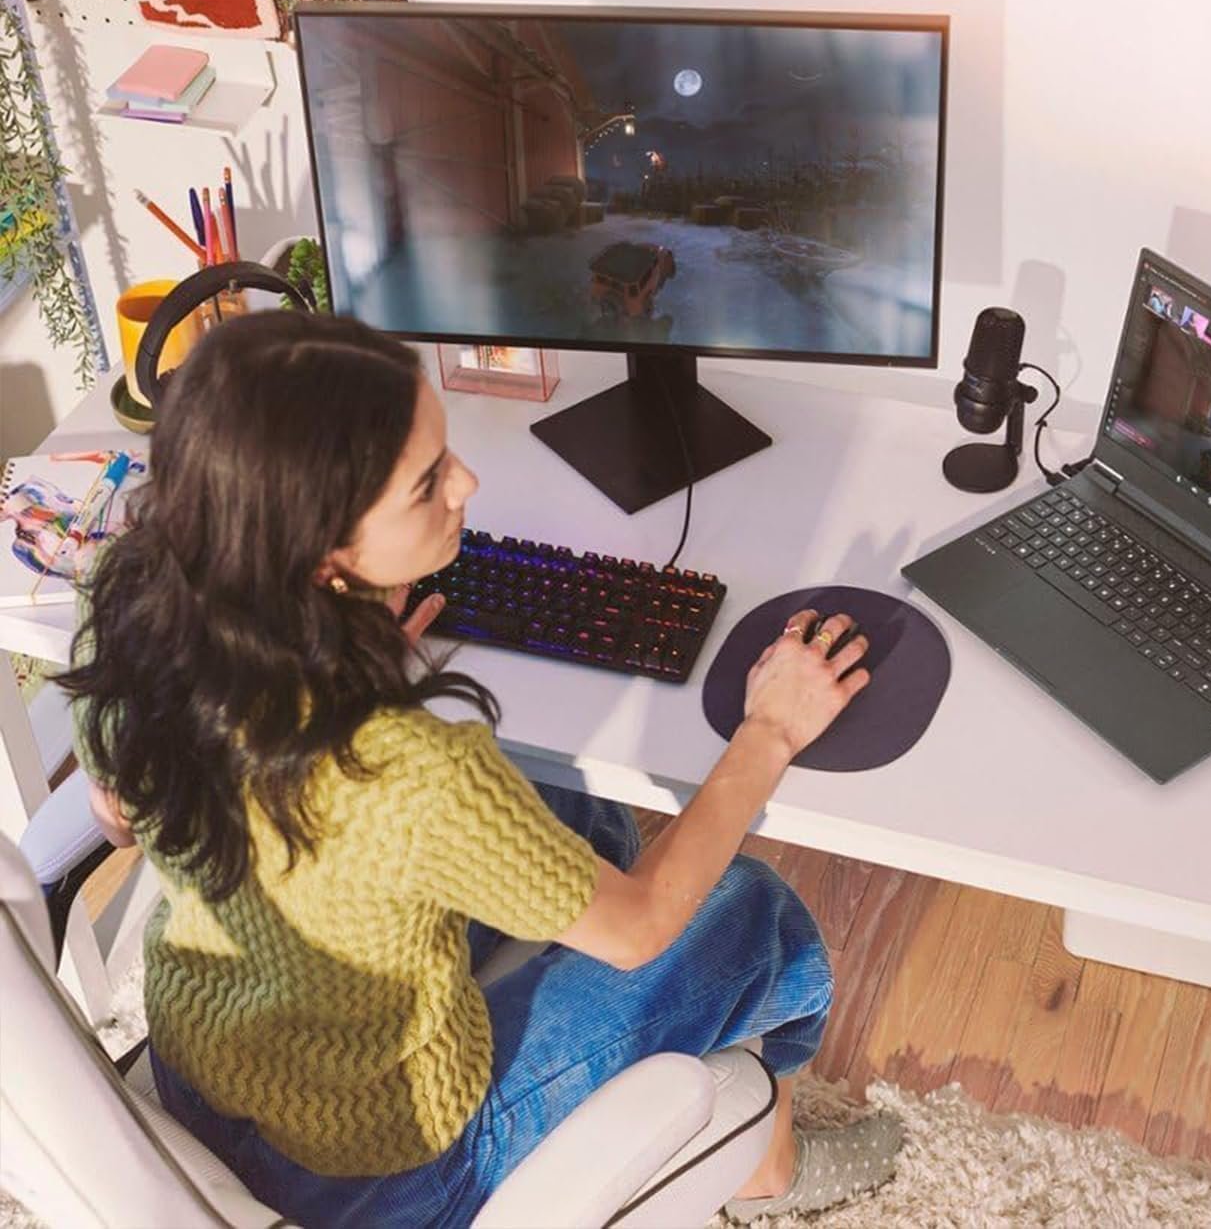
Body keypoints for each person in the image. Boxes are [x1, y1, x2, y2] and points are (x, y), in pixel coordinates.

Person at [60, 312, 903, 1228]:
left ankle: (573, 958)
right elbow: (640, 929)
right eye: (428, 483)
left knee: (577, 815)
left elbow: (117, 816)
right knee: (755, 913)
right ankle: (768, 1169)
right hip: (381, 1171)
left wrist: (342, 653)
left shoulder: (131, 611)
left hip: (200, 1067)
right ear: (322, 553)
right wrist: (769, 731)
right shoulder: (407, 771)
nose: (466, 482)